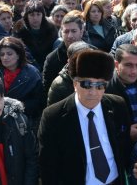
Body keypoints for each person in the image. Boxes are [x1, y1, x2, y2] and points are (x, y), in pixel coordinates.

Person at [38, 49, 131, 184]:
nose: (93, 92)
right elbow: (48, 167)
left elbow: (124, 147)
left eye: (100, 85)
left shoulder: (117, 105)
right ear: (75, 84)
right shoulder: (53, 117)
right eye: (87, 84)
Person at [105, 44, 137, 142]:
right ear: (116, 65)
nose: (134, 71)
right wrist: (126, 133)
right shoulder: (105, 87)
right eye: (128, 65)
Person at [0, 37, 43, 130]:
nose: (5, 57)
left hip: (26, 122)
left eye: (9, 54)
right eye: (2, 54)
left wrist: (15, 107)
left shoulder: (32, 74)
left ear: (18, 54)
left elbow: (38, 102)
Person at [42, 14, 85, 99]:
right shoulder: (52, 59)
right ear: (61, 33)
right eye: (66, 31)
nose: (70, 36)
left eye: (73, 31)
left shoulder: (94, 53)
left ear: (81, 32)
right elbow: (47, 89)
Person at [13, 0, 58, 71]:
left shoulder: (51, 28)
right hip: (29, 64)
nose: (35, 18)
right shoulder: (19, 29)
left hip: (49, 62)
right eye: (32, 15)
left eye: (38, 14)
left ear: (43, 15)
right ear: (26, 16)